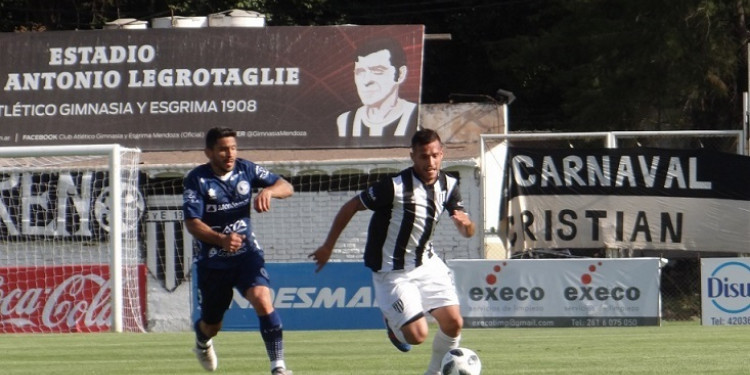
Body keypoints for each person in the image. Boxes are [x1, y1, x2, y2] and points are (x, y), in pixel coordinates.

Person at [309, 128, 475, 375]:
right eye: (423, 156)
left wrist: (466, 225)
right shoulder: (394, 187)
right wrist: (328, 246)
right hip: (392, 271)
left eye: (434, 155)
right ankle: (392, 322)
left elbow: (467, 229)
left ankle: (434, 372)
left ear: (442, 154)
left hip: (426, 263)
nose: (430, 162)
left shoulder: (449, 185)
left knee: (454, 323)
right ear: (412, 156)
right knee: (417, 336)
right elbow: (351, 206)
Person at [183, 127, 294, 375]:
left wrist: (269, 190)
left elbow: (286, 186)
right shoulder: (197, 179)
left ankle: (278, 367)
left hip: (247, 255)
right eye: (223, 149)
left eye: (233, 147)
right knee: (212, 325)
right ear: (208, 152)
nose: (229, 153)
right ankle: (202, 342)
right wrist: (220, 239)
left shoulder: (246, 169)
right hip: (213, 263)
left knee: (262, 300)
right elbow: (192, 223)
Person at [337, 37, 418, 138]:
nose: (366, 81)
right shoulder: (346, 122)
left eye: (377, 71)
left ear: (401, 74)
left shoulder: (417, 116)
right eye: (360, 72)